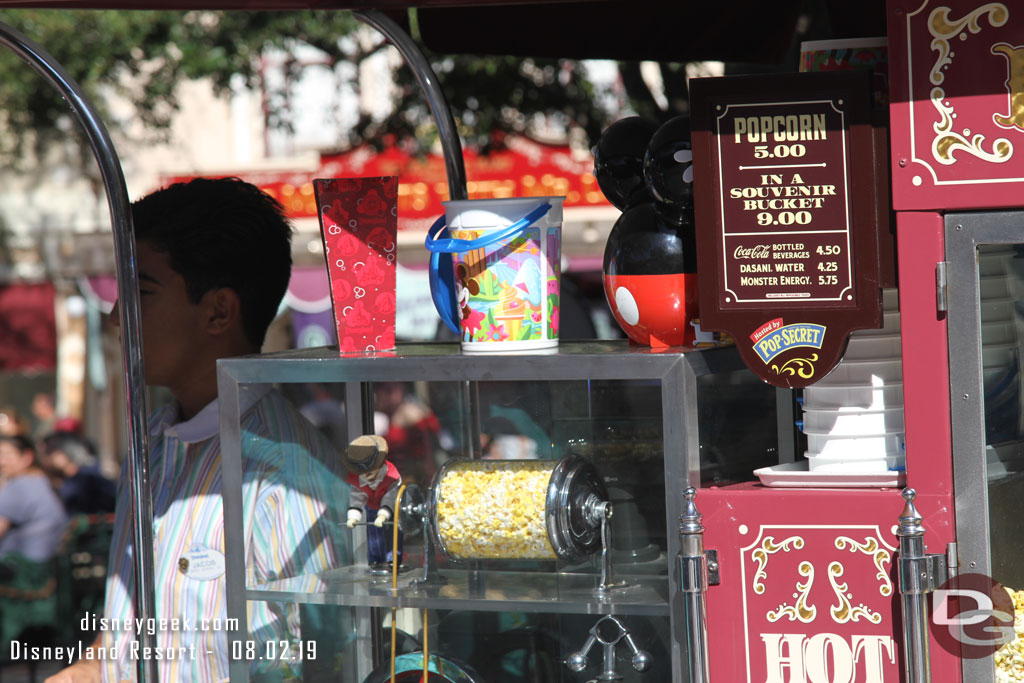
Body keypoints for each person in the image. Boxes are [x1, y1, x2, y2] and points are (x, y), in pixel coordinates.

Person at [47, 177, 348, 683]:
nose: (119, 314)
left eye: (141, 292)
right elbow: (121, 639)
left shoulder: (285, 481)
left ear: (218, 311)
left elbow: (318, 662)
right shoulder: (151, 447)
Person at [0, 434, 69, 565]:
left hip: (22, 566)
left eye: (8, 455)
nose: (2, 461)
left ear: (27, 457)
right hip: (48, 561)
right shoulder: (41, 479)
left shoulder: (19, 485)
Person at [344, 434, 402, 571]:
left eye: (369, 473)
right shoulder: (356, 480)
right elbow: (357, 496)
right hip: (372, 507)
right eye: (362, 474)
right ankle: (375, 560)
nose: (365, 477)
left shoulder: (392, 476)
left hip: (391, 508)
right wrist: (353, 516)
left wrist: (383, 515)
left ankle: (393, 559)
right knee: (374, 533)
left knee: (394, 532)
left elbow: (391, 496)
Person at [38, 432, 116, 516]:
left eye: (48, 453)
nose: (44, 460)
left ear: (63, 453)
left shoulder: (88, 482)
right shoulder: (59, 482)